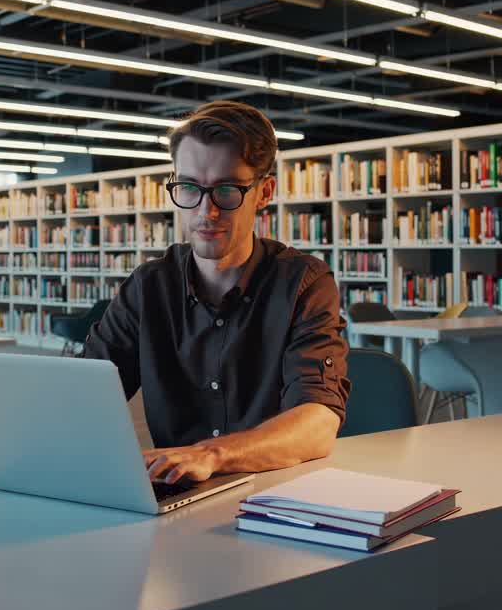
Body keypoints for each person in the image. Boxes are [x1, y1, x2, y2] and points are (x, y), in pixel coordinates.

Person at [84, 100, 350, 486]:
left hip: (274, 492)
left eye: (226, 190)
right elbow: (84, 398)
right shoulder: (148, 287)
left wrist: (212, 455)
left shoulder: (304, 284)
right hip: (176, 498)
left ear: (264, 192)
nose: (206, 212)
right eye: (189, 187)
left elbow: (318, 422)